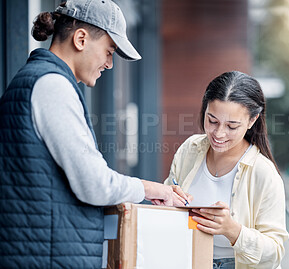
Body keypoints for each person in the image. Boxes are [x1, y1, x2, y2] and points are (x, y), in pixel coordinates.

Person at [0, 0, 184, 267]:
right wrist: (152, 188)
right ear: (81, 39)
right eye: (109, 51)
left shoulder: (38, 80)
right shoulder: (52, 86)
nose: (110, 64)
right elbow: (95, 184)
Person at [164, 71, 289, 269]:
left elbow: (275, 252)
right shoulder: (190, 149)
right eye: (212, 121)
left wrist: (233, 230)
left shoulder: (264, 173)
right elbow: (166, 208)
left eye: (232, 126)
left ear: (252, 120)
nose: (219, 133)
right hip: (187, 259)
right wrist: (167, 200)